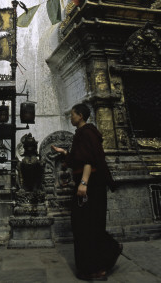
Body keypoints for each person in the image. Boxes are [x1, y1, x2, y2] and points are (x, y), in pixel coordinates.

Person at [52, 103, 122, 281]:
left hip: (89, 184)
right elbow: (81, 157)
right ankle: (102, 259)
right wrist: (65, 152)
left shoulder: (85, 133)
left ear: (80, 116)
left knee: (85, 226)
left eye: (73, 114)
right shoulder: (86, 134)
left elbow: (89, 161)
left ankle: (96, 268)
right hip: (92, 184)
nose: (71, 117)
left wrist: (83, 183)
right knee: (89, 224)